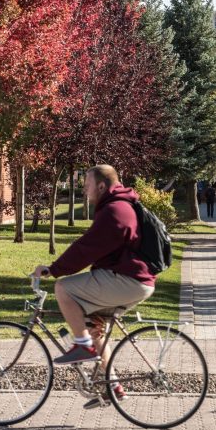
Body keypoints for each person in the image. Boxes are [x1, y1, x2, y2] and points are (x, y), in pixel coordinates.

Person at [32, 165, 155, 407]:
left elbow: (86, 248)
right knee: (94, 328)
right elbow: (90, 247)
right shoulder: (116, 206)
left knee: (64, 288)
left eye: (87, 186)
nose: (85, 191)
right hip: (131, 278)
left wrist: (54, 269)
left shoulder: (115, 211)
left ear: (101, 185)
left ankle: (82, 346)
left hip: (130, 280)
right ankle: (113, 386)